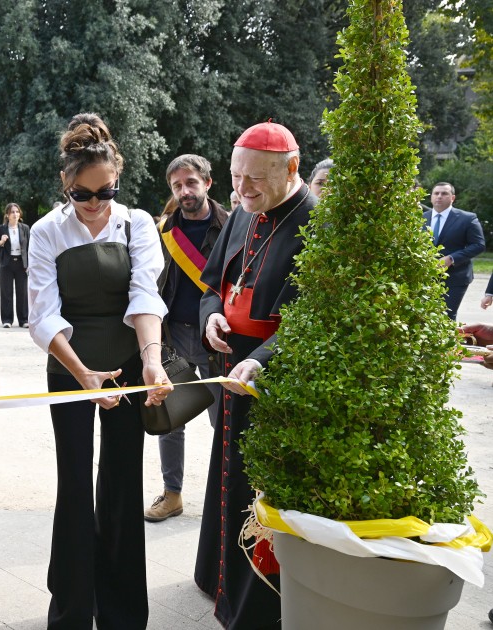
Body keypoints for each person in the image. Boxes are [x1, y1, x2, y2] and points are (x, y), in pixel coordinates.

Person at [27, 112, 172, 630]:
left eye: (105, 193)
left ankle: (123, 613)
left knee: (121, 481)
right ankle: (69, 611)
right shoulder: (46, 231)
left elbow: (145, 294)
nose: (94, 206)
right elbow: (43, 314)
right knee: (73, 484)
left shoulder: (136, 222)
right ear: (65, 185)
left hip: (130, 364)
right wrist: (83, 373)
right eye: (82, 195)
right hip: (70, 369)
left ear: (117, 182)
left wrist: (151, 360)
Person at [194, 121, 316, 629]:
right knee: (226, 469)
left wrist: (263, 359)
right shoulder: (243, 212)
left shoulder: (316, 223)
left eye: (255, 180)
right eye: (235, 178)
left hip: (274, 374)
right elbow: (210, 287)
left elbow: (313, 318)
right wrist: (211, 316)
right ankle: (216, 576)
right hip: (230, 360)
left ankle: (251, 600)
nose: (242, 191)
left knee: (254, 483)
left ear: (291, 168)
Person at [144, 154, 227, 523]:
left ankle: (226, 496)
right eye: (177, 186)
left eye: (191, 183)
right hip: (173, 337)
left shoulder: (232, 224)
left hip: (217, 339)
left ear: (208, 183)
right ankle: (173, 494)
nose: (184, 192)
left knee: (222, 422)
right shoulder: (163, 231)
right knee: (171, 420)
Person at [423, 182, 486, 319]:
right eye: (436, 193)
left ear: (452, 198)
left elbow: (478, 245)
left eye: (444, 193)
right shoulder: (421, 218)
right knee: (423, 315)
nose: (439, 196)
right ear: (431, 197)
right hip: (424, 276)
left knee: (446, 316)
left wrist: (452, 259)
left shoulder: (467, 218)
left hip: (455, 276)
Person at [0, 202, 30, 328]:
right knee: (6, 293)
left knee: (22, 293)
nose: (15, 214)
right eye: (12, 212)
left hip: (21, 264)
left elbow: (30, 247)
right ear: (7, 215)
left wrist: (29, 264)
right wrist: (1, 241)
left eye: (17, 212)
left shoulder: (25, 228)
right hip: (6, 264)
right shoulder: (0, 229)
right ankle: (7, 320)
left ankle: (24, 320)